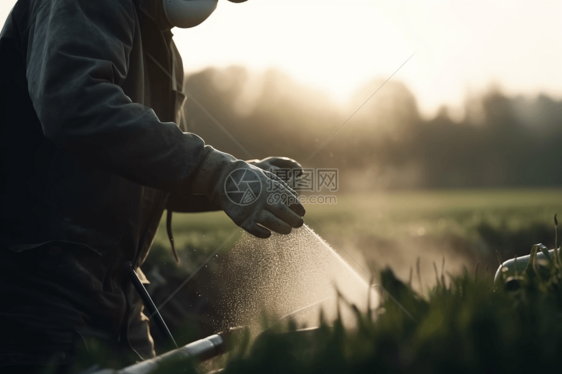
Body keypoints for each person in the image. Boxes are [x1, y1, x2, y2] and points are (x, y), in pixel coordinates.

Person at [0, 0, 305, 371]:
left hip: (119, 298)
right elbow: (74, 105)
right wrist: (215, 171)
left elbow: (148, 170)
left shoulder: (162, 46)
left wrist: (238, 178)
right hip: (37, 296)